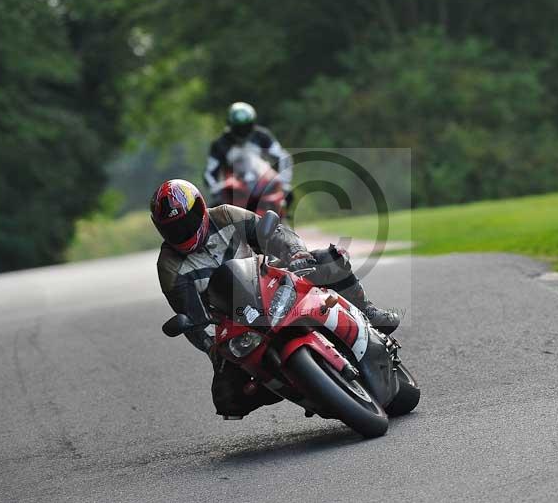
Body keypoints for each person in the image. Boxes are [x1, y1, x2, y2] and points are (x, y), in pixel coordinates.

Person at [151, 179, 399, 418]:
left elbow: (273, 233)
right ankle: (290, 384)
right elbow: (192, 317)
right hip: (233, 322)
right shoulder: (169, 267)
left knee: (329, 258)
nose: (183, 231)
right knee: (227, 398)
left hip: (268, 281)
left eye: (187, 221)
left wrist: (296, 253)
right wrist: (213, 348)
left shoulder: (226, 216)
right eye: (173, 228)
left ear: (202, 208)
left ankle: (367, 312)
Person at [203, 102, 293, 208]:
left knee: (288, 195)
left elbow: (282, 156)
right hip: (235, 188)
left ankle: (283, 220)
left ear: (252, 124)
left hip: (262, 183)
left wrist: (283, 181)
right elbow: (209, 173)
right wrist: (216, 190)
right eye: (238, 128)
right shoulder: (220, 144)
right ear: (231, 125)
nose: (242, 131)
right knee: (215, 209)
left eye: (246, 127)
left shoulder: (262, 136)